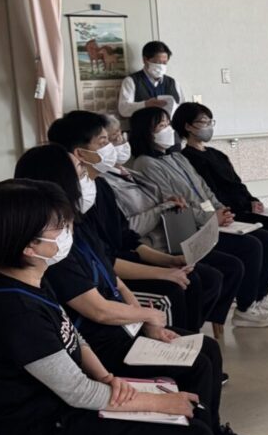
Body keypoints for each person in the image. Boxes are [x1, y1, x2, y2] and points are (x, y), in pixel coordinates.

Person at [0, 179, 238, 435]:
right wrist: (159, 403)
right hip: (47, 434)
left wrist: (108, 377)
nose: (67, 233)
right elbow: (77, 393)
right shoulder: (12, 309)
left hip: (66, 411)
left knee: (190, 421)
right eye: (58, 228)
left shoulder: (32, 277)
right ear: (29, 245)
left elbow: (73, 337)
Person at [24, 152, 260, 435]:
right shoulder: (53, 250)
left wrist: (146, 323)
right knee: (197, 364)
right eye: (79, 170)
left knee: (206, 348)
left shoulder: (76, 226)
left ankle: (211, 433)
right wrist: (147, 315)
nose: (87, 174)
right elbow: (97, 310)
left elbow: (112, 275)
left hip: (120, 332)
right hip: (103, 344)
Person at [32, 113, 221, 333]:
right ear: (80, 154)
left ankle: (186, 337)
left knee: (201, 277)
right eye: (105, 141)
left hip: (118, 266)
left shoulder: (99, 187)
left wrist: (169, 261)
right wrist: (162, 273)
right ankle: (173, 340)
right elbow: (105, 260)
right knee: (175, 289)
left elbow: (126, 237)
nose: (113, 146)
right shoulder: (75, 204)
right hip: (108, 275)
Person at [129, 106, 268, 328]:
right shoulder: (145, 163)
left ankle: (258, 298)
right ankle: (245, 307)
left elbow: (203, 188)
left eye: (168, 124)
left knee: (265, 237)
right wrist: (211, 219)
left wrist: (221, 210)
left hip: (210, 220)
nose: (168, 130)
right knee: (250, 247)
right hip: (191, 229)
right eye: (161, 126)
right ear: (146, 132)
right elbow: (173, 203)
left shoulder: (176, 157)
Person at [97, 113, 241, 329]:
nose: (120, 142)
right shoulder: (107, 182)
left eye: (120, 135)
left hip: (168, 239)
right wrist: (164, 209)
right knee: (203, 278)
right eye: (112, 139)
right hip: (153, 245)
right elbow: (127, 230)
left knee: (224, 269)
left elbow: (201, 188)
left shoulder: (131, 171)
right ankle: (187, 331)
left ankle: (195, 327)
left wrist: (214, 209)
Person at [173, 102, 268, 288]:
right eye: (203, 122)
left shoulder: (216, 154)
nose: (208, 127)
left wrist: (252, 200)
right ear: (188, 126)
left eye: (210, 122)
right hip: (233, 213)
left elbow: (237, 184)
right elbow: (212, 193)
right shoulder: (188, 159)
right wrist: (241, 206)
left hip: (245, 207)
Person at [118, 41, 183, 119]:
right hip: (142, 126)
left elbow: (183, 108)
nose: (161, 66)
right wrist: (145, 104)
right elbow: (123, 109)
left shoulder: (173, 83)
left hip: (169, 126)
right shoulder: (131, 81)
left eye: (164, 63)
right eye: (157, 62)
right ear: (145, 60)